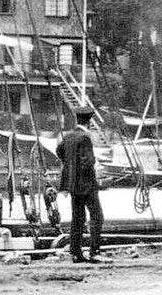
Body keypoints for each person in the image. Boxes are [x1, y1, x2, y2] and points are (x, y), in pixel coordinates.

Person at [57, 105, 104, 263]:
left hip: (73, 186)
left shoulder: (68, 136)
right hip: (87, 185)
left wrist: (70, 166)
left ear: (78, 119)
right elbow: (88, 161)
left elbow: (59, 151)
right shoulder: (85, 138)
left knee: (77, 218)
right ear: (89, 121)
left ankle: (76, 253)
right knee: (97, 217)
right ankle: (94, 252)